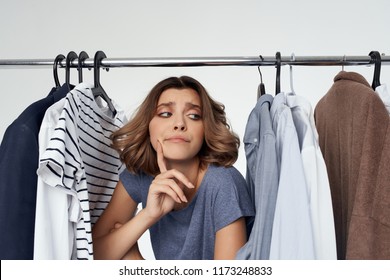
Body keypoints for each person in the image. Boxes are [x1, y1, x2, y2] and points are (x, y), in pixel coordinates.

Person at [92, 76, 254, 260]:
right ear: (148, 126)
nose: (179, 124)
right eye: (165, 114)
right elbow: (91, 258)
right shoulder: (139, 176)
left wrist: (135, 262)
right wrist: (148, 215)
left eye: (194, 116)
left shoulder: (223, 183)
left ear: (206, 128)